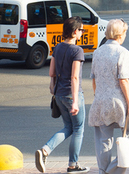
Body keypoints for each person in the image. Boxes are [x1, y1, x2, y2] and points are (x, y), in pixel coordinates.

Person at [36, 17, 88, 174]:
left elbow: (51, 72)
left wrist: (53, 87)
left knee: (68, 127)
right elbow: (75, 77)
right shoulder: (77, 50)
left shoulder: (57, 47)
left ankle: (45, 150)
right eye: (81, 30)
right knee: (78, 128)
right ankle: (73, 165)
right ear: (74, 31)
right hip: (72, 95)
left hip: (59, 94)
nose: (82, 32)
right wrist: (75, 102)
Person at [89, 19, 129, 174]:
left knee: (103, 140)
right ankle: (113, 170)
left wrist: (98, 96)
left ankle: (103, 171)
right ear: (120, 34)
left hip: (100, 101)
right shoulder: (123, 52)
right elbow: (123, 80)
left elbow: (94, 78)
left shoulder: (97, 52)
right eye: (125, 32)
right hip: (118, 101)